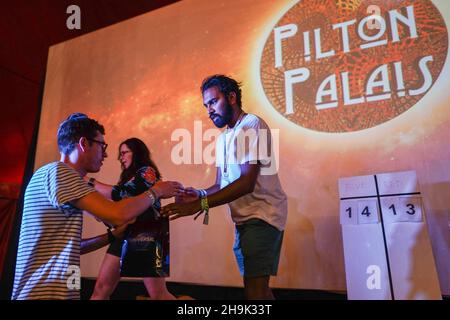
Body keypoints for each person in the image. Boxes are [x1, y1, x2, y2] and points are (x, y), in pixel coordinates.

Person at [11, 113, 183, 300]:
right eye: (102, 146)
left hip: (61, 289)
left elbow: (72, 248)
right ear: (84, 143)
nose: (107, 154)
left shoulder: (55, 176)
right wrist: (156, 191)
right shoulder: (61, 172)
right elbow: (117, 214)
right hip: (44, 292)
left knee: (148, 293)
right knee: (103, 290)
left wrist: (110, 236)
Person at [162, 75, 288, 300]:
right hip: (245, 221)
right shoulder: (223, 138)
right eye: (206, 105)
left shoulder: (251, 125)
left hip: (262, 217)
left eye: (213, 102)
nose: (209, 110)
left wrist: (200, 205)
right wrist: (198, 195)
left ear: (231, 97)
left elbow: (247, 182)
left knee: (254, 293)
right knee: (260, 291)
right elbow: (221, 184)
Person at [87, 138, 175, 300]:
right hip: (124, 234)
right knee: (101, 288)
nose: (121, 158)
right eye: (120, 154)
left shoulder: (148, 172)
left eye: (124, 153)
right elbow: (118, 205)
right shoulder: (129, 176)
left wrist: (90, 182)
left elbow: (119, 193)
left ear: (137, 152)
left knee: (158, 294)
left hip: (147, 235)